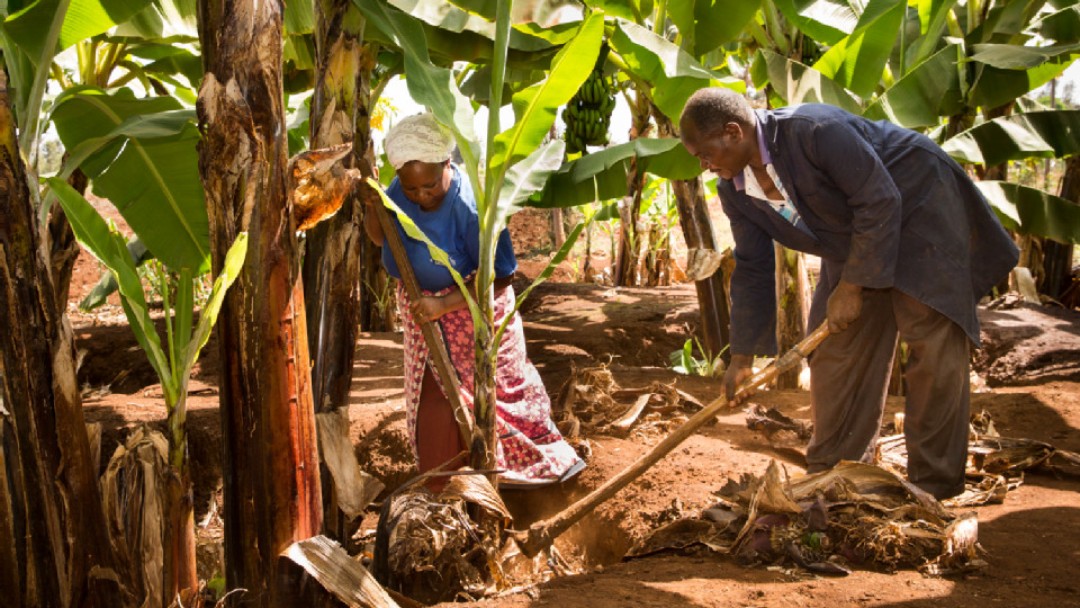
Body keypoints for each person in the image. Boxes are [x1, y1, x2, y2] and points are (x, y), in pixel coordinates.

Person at [679, 88, 1019, 500]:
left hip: (917, 207)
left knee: (930, 342)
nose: (704, 165)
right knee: (835, 350)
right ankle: (835, 476)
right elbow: (751, 267)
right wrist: (743, 357)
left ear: (733, 132)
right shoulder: (734, 190)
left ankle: (933, 487)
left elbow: (879, 198)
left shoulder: (816, 130)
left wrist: (853, 286)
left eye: (705, 154)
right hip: (853, 237)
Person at [361, 113, 585, 490]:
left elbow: (499, 276)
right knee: (434, 403)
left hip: (473, 309)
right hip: (423, 312)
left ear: (448, 163)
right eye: (411, 188)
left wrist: (445, 305)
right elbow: (383, 239)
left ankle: (529, 475)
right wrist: (373, 206)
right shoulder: (400, 189)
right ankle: (441, 492)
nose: (421, 196)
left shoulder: (472, 208)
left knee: (495, 398)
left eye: (429, 186)